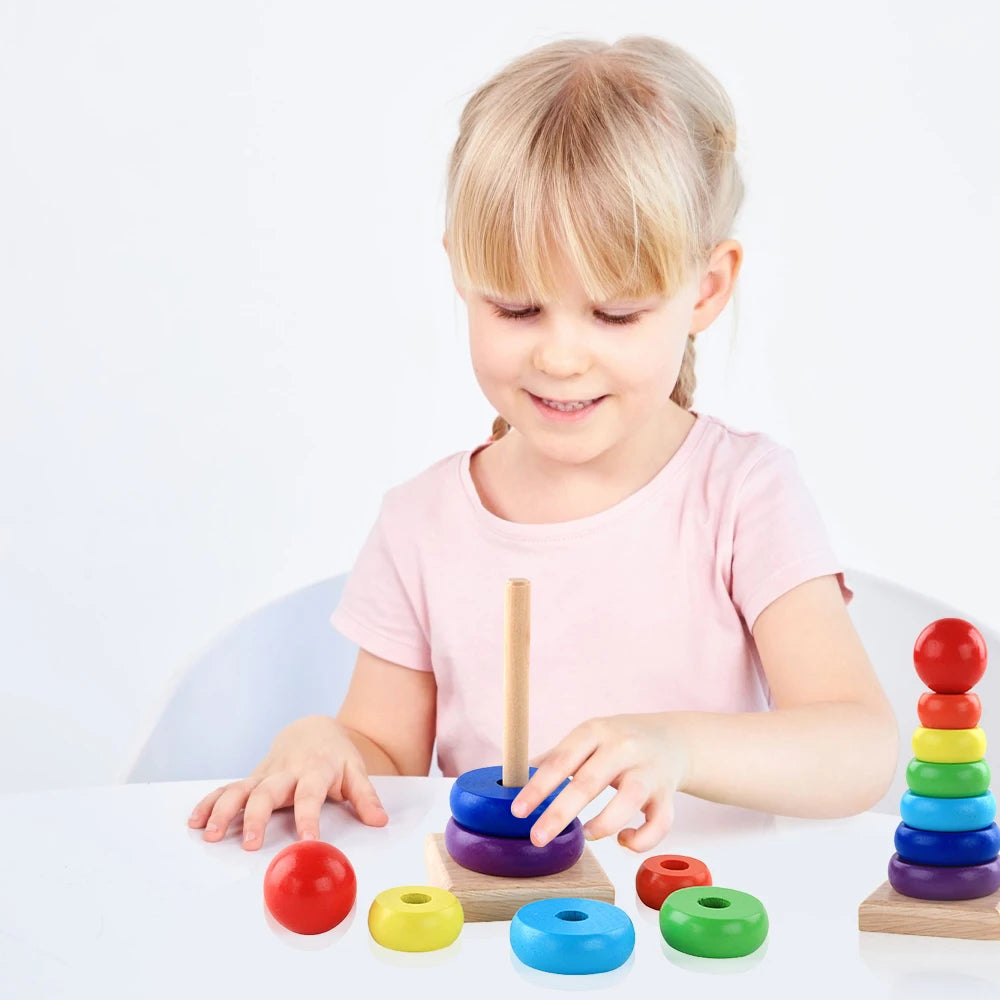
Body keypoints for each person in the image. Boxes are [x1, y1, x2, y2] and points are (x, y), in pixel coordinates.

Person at [188, 34, 898, 853]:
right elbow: (383, 761)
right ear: (461, 274)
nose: (560, 356)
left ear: (705, 289)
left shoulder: (742, 494)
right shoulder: (422, 525)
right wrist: (326, 744)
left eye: (616, 314)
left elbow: (858, 748)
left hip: (701, 961)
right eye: (517, 309)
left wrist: (676, 747)